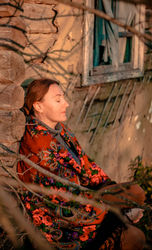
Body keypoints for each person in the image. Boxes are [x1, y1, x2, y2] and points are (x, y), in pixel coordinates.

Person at [17, 79, 145, 250]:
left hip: (86, 196)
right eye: (58, 100)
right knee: (135, 238)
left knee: (135, 192)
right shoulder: (38, 147)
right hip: (65, 218)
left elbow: (86, 166)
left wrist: (112, 190)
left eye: (63, 98)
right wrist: (118, 211)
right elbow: (62, 202)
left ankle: (121, 222)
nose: (67, 104)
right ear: (38, 106)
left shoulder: (61, 130)